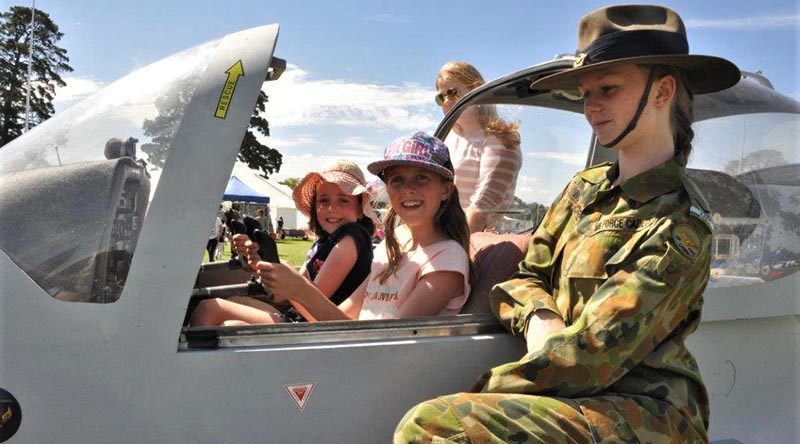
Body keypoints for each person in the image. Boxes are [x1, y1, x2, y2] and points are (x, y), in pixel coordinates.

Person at [395, 5, 740, 443]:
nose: (591, 107)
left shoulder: (680, 224)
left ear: (662, 91)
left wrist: (482, 389)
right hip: (571, 396)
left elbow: (590, 358)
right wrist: (540, 316)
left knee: (437, 427)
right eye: (585, 93)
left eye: (608, 90)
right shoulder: (583, 190)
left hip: (647, 414)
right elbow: (521, 279)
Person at [251, 132, 471, 322]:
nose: (408, 189)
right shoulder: (392, 245)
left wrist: (300, 290)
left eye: (421, 178)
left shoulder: (447, 258)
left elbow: (391, 343)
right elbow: (342, 319)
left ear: (446, 191)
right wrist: (293, 288)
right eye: (397, 180)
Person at [190, 160, 379, 326]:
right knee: (229, 316)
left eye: (343, 200)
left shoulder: (352, 236)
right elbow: (284, 294)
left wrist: (282, 275)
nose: (331, 208)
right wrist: (259, 262)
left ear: (360, 209)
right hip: (298, 318)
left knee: (209, 309)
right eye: (323, 200)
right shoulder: (322, 243)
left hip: (317, 327)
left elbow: (309, 299)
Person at [436, 61, 522, 233]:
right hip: (440, 240)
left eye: (452, 93)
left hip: (470, 244)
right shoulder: (444, 139)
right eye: (441, 97)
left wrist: (452, 252)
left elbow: (481, 209)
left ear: (476, 90)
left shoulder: (499, 140)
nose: (446, 102)